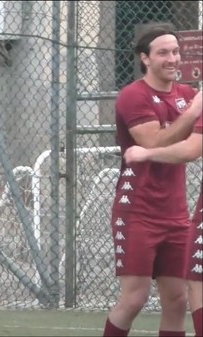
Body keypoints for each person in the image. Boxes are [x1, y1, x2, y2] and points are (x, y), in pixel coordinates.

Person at [102, 26, 202, 337]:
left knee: (177, 299)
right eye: (163, 52)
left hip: (175, 214)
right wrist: (192, 113)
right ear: (145, 58)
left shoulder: (188, 95)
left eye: (175, 51)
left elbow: (192, 149)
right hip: (137, 211)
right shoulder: (133, 95)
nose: (172, 59)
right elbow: (152, 143)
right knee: (135, 298)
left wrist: (193, 108)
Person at [123, 113, 203, 337]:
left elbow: (191, 149)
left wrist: (147, 153)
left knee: (198, 283)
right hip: (149, 214)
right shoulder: (135, 97)